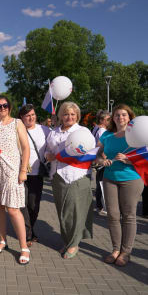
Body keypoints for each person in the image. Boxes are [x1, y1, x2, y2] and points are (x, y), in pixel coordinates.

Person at [0, 96, 31, 265]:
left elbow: (26, 148)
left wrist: (23, 170)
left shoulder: (17, 123)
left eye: (5, 105)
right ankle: (2, 240)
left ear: (9, 107)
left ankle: (24, 247)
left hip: (12, 171)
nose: (2, 108)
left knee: (12, 209)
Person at [95, 104, 144, 266]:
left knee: (129, 215)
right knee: (113, 215)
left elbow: (146, 156)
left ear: (130, 117)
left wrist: (129, 159)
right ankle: (116, 249)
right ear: (112, 118)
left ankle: (125, 252)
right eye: (117, 115)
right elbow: (97, 155)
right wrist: (102, 160)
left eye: (124, 115)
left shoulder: (137, 134)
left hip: (131, 179)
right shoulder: (107, 136)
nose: (120, 118)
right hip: (109, 178)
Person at [45, 102, 94, 259]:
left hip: (77, 175)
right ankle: (67, 241)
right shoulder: (54, 132)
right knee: (62, 210)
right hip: (57, 176)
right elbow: (47, 150)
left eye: (73, 114)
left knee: (73, 211)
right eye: (66, 114)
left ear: (77, 116)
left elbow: (90, 152)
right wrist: (48, 156)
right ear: (60, 116)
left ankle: (74, 243)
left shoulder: (83, 131)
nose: (69, 117)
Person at [18, 104, 50, 247]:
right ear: (21, 118)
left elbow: (54, 145)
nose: (30, 118)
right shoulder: (17, 129)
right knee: (22, 205)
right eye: (27, 115)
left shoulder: (44, 130)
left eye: (33, 114)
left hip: (37, 173)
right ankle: (27, 234)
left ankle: (30, 228)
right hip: (20, 173)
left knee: (33, 205)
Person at [92, 110, 111, 215]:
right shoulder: (102, 131)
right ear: (102, 120)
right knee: (101, 183)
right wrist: (105, 159)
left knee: (99, 183)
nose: (110, 121)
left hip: (96, 158)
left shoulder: (96, 128)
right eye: (108, 119)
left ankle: (99, 205)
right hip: (101, 159)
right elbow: (102, 147)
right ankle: (100, 206)